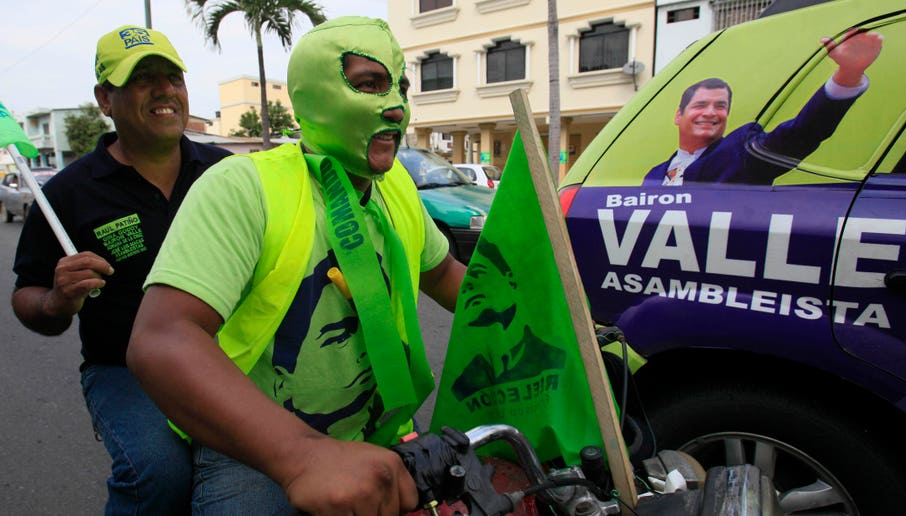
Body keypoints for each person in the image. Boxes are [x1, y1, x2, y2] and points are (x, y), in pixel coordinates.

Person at [126, 16, 466, 515]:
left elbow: (445, 275)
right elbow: (162, 338)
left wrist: (547, 313)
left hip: (380, 429)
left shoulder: (397, 189)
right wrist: (301, 456)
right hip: (254, 446)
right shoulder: (243, 187)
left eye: (400, 85)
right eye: (369, 84)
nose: (395, 106)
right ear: (313, 95)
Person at [10, 25, 232, 514]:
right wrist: (56, 300)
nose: (163, 90)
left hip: (232, 359)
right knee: (159, 472)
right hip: (125, 371)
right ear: (104, 99)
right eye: (141, 78)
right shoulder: (67, 193)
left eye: (172, 76)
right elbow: (27, 295)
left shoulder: (228, 174)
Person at [642, 28, 883, 186]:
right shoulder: (653, 175)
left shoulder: (741, 151)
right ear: (678, 115)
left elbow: (801, 134)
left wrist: (848, 75)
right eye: (701, 105)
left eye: (720, 106)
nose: (710, 112)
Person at [450, 237, 566, 401]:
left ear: (510, 279)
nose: (469, 287)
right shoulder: (465, 379)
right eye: (468, 282)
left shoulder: (556, 361)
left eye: (478, 274)